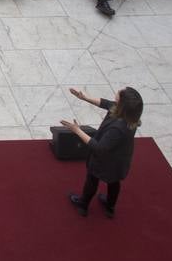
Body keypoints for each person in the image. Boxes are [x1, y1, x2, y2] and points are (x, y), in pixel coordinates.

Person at [61, 86, 143, 218]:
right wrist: (84, 97)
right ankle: (110, 207)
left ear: (122, 104)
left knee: (92, 179)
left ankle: (83, 205)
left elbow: (98, 148)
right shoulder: (130, 115)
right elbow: (106, 104)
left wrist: (77, 130)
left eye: (119, 94)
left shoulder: (118, 128)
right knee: (114, 182)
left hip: (105, 160)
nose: (117, 92)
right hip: (120, 160)